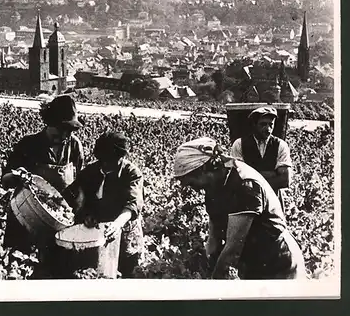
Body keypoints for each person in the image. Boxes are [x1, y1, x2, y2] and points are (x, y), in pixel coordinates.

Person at [173, 137, 305, 280]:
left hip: (279, 261)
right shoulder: (213, 184)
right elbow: (214, 237)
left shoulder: (244, 185)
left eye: (192, 182)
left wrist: (213, 284)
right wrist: (209, 263)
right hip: (254, 260)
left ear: (205, 169)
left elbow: (232, 249)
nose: (195, 189)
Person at [1, 94, 84, 277]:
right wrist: (17, 176)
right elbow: (5, 179)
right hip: (26, 217)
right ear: (49, 124)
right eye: (60, 130)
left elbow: (79, 182)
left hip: (57, 220)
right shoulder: (29, 145)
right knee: (20, 266)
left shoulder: (74, 146)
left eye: (69, 131)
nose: (64, 136)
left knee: (52, 271)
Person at [64, 131, 144, 279]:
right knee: (95, 273)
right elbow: (75, 198)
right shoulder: (89, 172)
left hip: (125, 230)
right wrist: (86, 214)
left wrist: (117, 224)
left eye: (111, 161)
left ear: (121, 157)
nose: (106, 165)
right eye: (103, 161)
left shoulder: (131, 173)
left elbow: (133, 204)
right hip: (96, 233)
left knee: (126, 271)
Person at [230, 107, 292, 213]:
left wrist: (252, 175)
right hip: (247, 203)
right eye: (263, 124)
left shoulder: (281, 145)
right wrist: (272, 174)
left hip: (273, 202)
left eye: (270, 124)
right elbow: (237, 178)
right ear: (254, 125)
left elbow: (285, 180)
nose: (268, 128)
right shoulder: (239, 144)